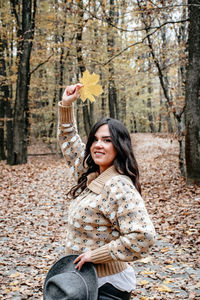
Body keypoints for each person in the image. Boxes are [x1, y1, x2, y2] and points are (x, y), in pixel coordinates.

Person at [57, 83, 156, 300]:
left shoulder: (118, 185)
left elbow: (144, 236)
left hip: (105, 288)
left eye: (107, 140)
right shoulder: (92, 176)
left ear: (120, 146)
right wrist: (66, 104)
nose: (98, 145)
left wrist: (96, 255)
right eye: (95, 139)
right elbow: (70, 143)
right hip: (83, 281)